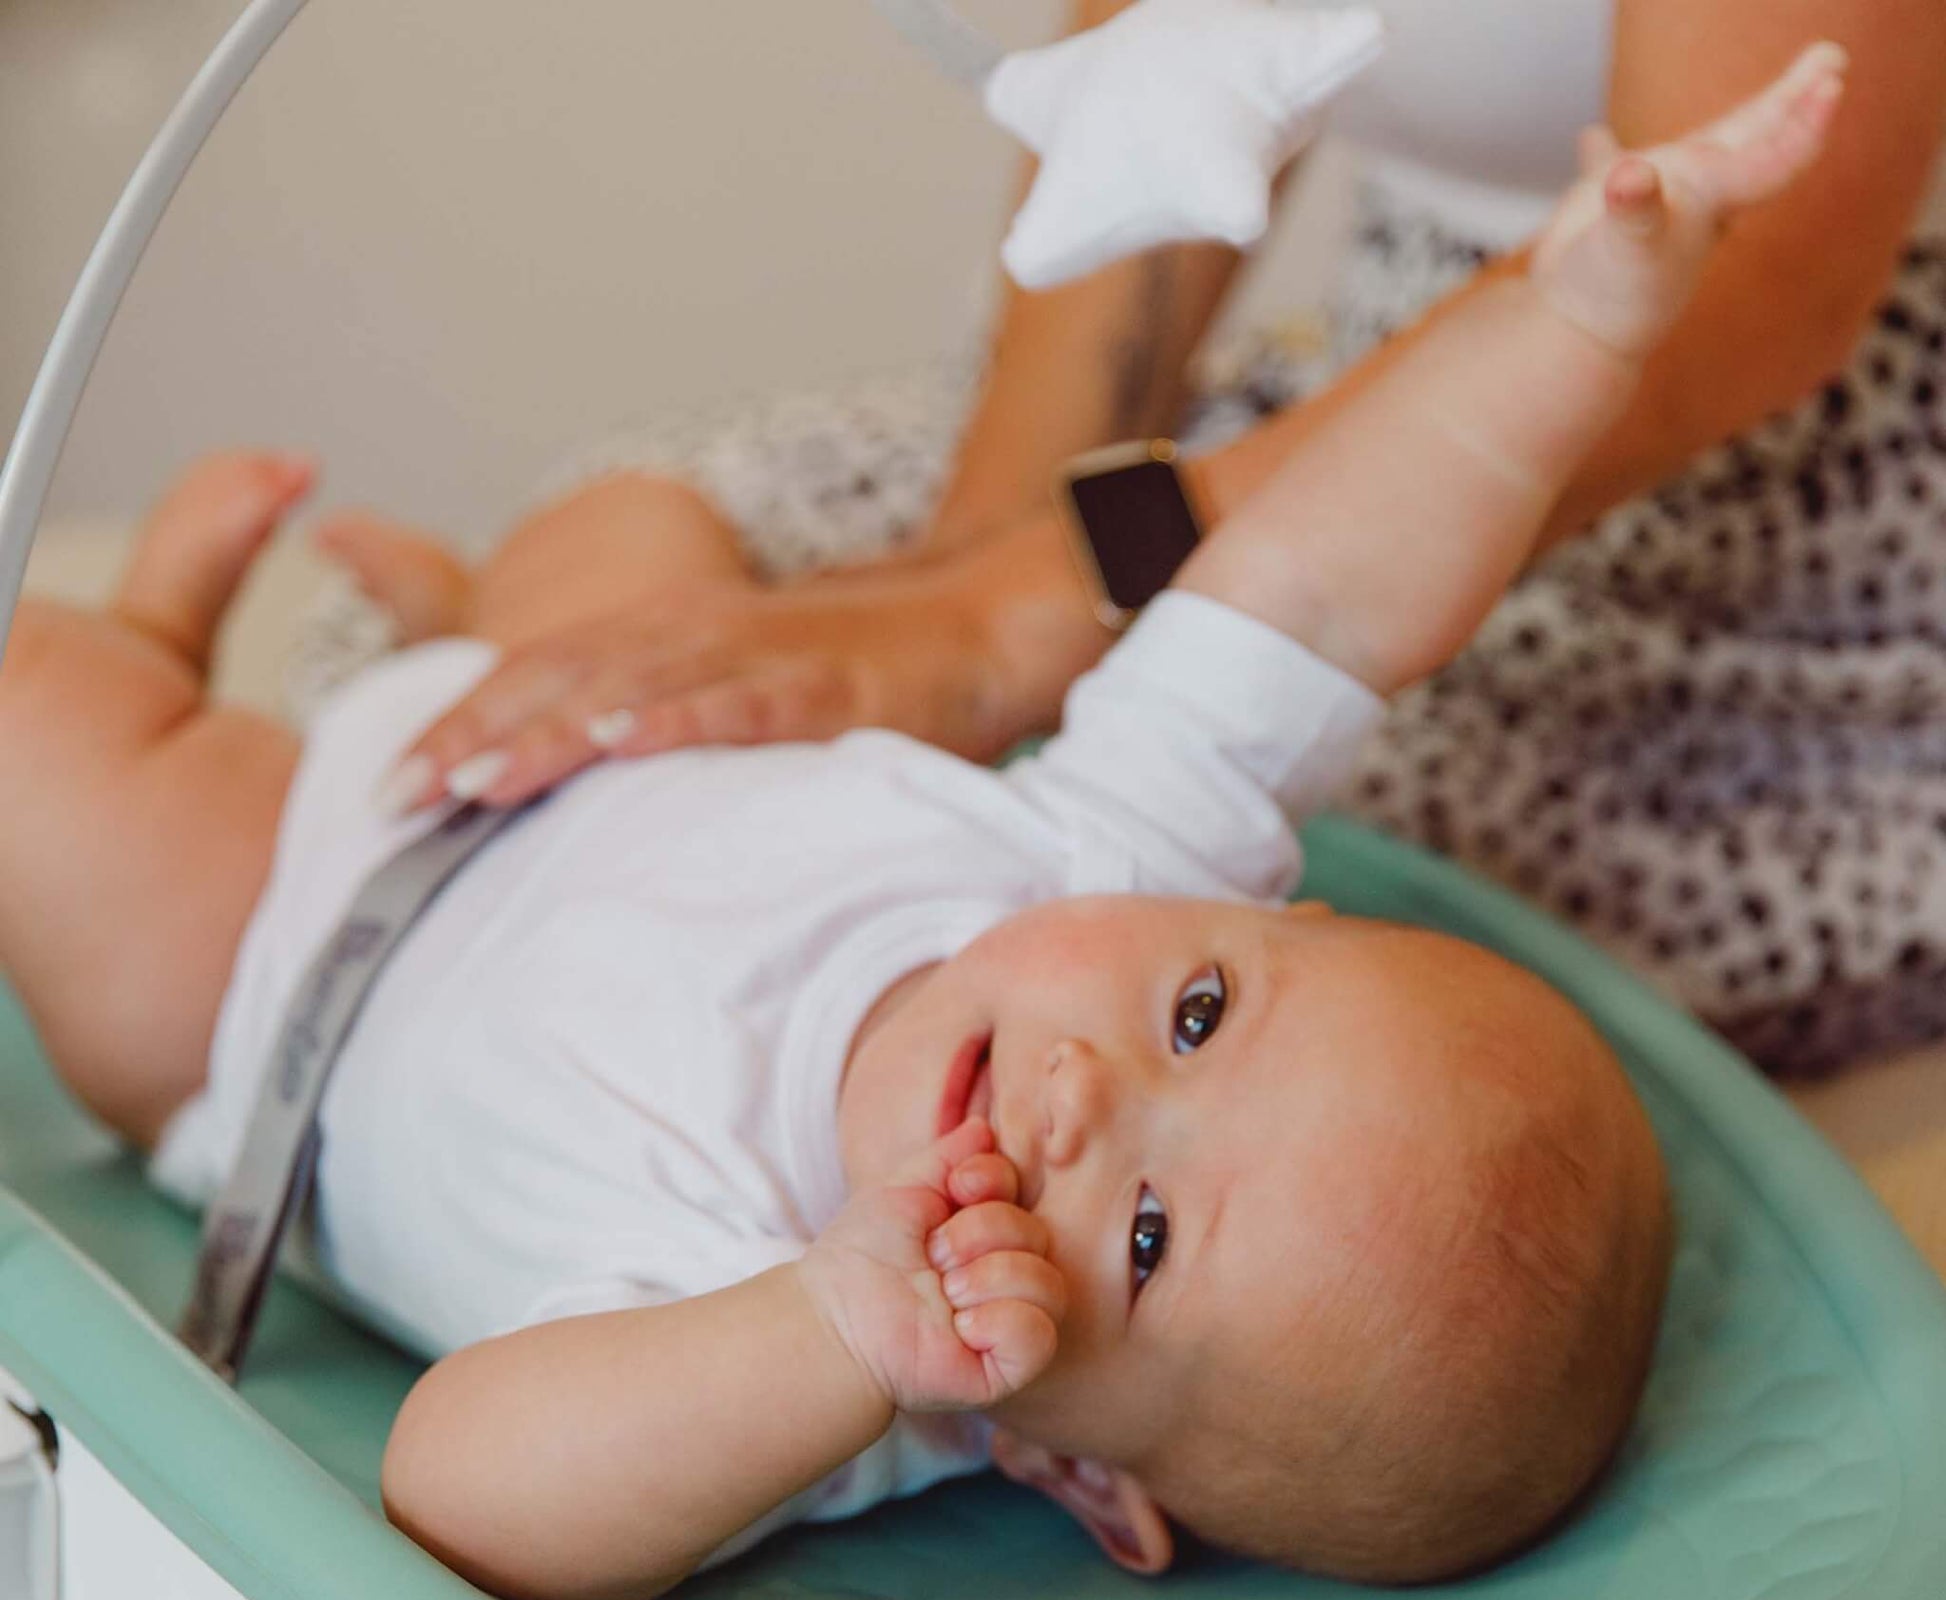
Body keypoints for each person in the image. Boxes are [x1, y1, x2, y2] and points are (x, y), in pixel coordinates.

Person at [0, 53, 1842, 1600]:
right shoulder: (1104, 853)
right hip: (543, 724)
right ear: (1242, 910)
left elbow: (461, 1478)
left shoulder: (824, 1340)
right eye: (1200, 1014)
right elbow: (1333, 588)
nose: (1087, 1097)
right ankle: (446, 620)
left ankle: (157, 654)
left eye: (1140, 1235)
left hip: (270, 953)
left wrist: (823, 1336)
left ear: (1069, 1471)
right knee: (643, 531)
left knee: (44, 736)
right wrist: (1574, 316)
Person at [316, 0, 1946, 1076]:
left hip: (1769, 499)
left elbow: (1741, 270)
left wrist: (1015, 618)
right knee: (662, 533)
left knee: (1245, 934)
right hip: (1401, 333)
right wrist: (985, 546)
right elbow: (1165, 70)